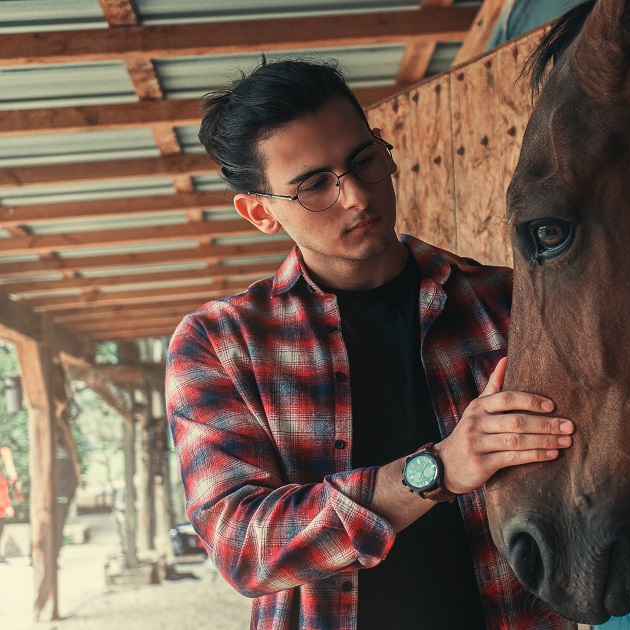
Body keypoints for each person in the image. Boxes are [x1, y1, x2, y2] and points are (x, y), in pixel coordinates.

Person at [166, 60, 574, 630]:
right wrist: (439, 469)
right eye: (313, 185)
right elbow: (242, 548)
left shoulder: (509, 303)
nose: (356, 195)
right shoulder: (221, 344)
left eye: (364, 160)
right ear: (259, 212)